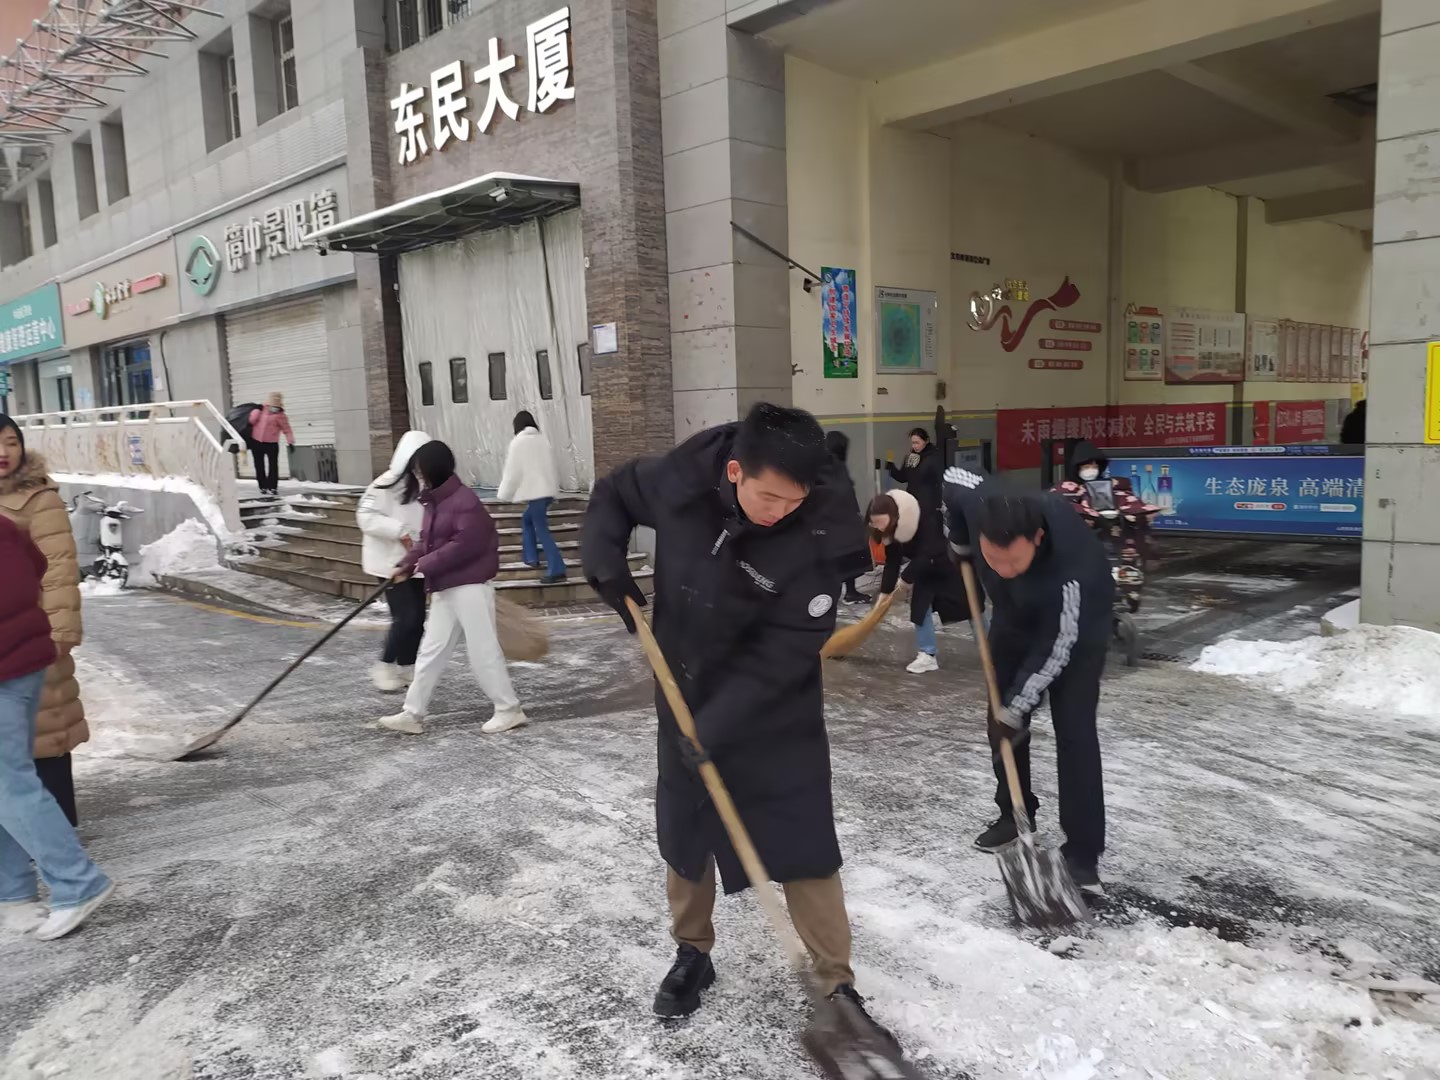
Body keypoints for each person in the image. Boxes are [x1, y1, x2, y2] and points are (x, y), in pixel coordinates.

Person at [582, 402, 882, 1028]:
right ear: (737, 471)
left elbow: (787, 652)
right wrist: (602, 557)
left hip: (777, 708)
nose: (781, 512)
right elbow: (613, 493)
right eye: (769, 498)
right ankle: (693, 952)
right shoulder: (682, 479)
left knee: (803, 842)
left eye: (793, 502)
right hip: (684, 679)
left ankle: (835, 984)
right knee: (685, 830)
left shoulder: (820, 531)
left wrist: (715, 727)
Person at [943, 466, 1114, 896]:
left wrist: (1019, 705)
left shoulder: (1075, 572)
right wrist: (960, 543)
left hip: (1075, 634)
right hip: (1014, 619)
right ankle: (1014, 814)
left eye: (1012, 560)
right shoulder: (978, 500)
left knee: (1074, 733)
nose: (1000, 568)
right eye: (992, 559)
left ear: (1036, 540)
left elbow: (1058, 649)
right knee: (1001, 723)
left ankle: (1083, 853)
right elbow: (951, 478)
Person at [0, 512, 115, 940]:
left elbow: (15, 588)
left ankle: (77, 882)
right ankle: (14, 895)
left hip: (5, 669)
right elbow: (35, 565)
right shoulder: (5, 525)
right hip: (21, 664)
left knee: (10, 785)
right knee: (7, 784)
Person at [378, 440, 528, 737]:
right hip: (446, 586)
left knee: (482, 651)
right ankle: (413, 712)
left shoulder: (465, 502)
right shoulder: (435, 502)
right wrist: (407, 563)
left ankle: (509, 709)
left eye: (422, 472)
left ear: (435, 469)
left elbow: (465, 545)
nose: (419, 478)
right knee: (431, 651)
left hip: (469, 586)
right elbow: (426, 541)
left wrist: (425, 565)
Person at [0, 416, 85, 828]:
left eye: (11, 442)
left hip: (34, 634)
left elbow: (59, 568)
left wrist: (60, 633)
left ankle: (57, 829)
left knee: (45, 732)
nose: (3, 452)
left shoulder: (38, 498)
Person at [357, 431, 432, 693]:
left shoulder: (426, 486)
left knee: (419, 618)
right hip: (391, 562)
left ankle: (407, 666)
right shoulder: (384, 484)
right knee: (405, 617)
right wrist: (398, 529)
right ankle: (385, 665)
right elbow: (365, 517)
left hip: (417, 562)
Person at [868, 488, 972, 675]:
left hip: (945, 563)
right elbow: (892, 562)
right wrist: (885, 593)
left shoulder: (920, 515)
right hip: (923, 570)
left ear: (893, 515)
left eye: (880, 521)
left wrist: (905, 580)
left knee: (972, 606)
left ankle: (992, 646)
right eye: (874, 523)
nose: (878, 527)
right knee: (920, 608)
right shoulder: (888, 532)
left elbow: (929, 551)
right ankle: (927, 655)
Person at [497, 411, 566, 586]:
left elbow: (512, 472)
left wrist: (504, 493)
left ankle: (556, 568)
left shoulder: (518, 443)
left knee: (541, 529)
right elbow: (552, 466)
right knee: (527, 519)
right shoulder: (542, 440)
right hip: (546, 492)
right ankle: (530, 557)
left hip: (535, 493)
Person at [824, 430, 872, 605]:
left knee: (850, 556)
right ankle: (831, 595)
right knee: (839, 558)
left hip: (846, 520)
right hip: (834, 522)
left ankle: (850, 592)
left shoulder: (837, 464)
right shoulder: (825, 466)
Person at [248, 392, 295, 497]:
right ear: (269, 404)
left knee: (273, 465)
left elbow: (287, 429)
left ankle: (272, 487)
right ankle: (262, 486)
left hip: (272, 443)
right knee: (259, 465)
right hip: (256, 442)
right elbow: (251, 421)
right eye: (273, 406)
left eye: (277, 407)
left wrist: (290, 441)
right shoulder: (260, 410)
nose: (275, 408)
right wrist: (255, 413)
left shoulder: (281, 415)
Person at [886, 427, 943, 512]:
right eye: (913, 443)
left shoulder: (933, 458)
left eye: (917, 443)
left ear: (926, 441)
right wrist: (891, 468)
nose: (914, 446)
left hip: (928, 505)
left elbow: (940, 481)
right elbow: (903, 477)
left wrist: (939, 504)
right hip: (912, 502)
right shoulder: (911, 457)